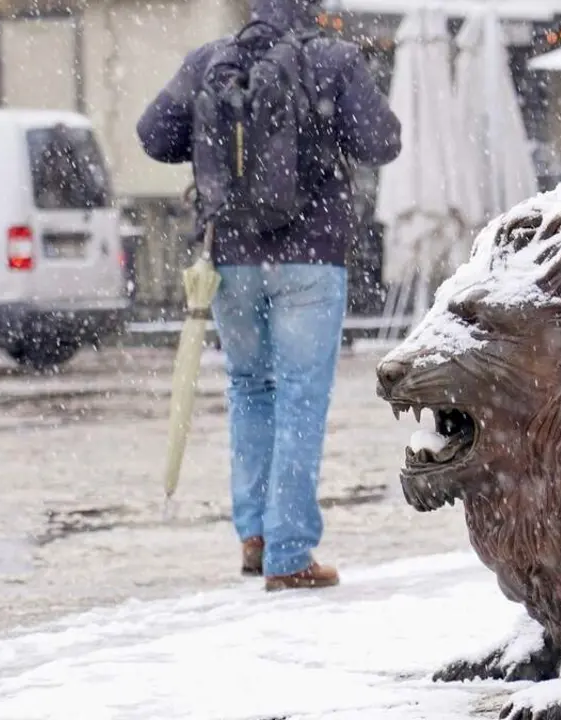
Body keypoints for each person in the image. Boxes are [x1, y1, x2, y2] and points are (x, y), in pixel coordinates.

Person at [136, 0, 401, 591]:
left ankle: (254, 535)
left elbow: (153, 135)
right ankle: (289, 554)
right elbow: (381, 142)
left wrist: (217, 145)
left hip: (229, 256)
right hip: (310, 258)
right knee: (300, 398)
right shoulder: (332, 59)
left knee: (249, 388)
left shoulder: (210, 61)